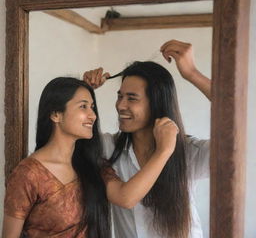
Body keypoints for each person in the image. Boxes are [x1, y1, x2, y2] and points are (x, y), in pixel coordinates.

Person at [3, 77, 179, 238]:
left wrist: (164, 151)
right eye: (83, 106)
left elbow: (126, 197)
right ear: (56, 114)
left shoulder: (93, 164)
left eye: (92, 107)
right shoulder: (28, 174)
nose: (93, 115)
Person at [83, 39, 211, 238]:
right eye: (120, 96)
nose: (120, 105)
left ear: (157, 103)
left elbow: (238, 125)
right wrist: (83, 91)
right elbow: (68, 134)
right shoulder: (109, 148)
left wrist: (192, 74)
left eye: (132, 98)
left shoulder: (190, 151)